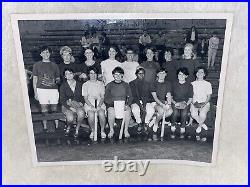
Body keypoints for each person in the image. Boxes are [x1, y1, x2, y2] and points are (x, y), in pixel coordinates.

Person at [32, 46, 60, 132]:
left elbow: (58, 79)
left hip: (53, 90)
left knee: (54, 108)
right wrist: (35, 92)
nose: (46, 54)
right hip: (41, 90)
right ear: (40, 54)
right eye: (43, 52)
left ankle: (57, 126)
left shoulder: (54, 65)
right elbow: (35, 79)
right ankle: (45, 127)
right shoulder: (36, 65)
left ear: (50, 53)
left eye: (47, 52)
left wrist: (54, 81)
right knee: (44, 109)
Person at [104, 67, 133, 139]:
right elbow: (106, 97)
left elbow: (130, 96)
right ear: (113, 75)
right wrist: (113, 104)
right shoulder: (109, 85)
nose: (118, 76)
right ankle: (111, 130)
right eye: (116, 74)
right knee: (110, 111)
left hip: (123, 104)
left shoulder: (126, 85)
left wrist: (127, 104)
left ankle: (126, 130)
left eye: (120, 74)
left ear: (122, 75)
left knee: (128, 110)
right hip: (113, 105)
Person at [82, 67, 106, 139]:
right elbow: (85, 98)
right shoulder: (85, 84)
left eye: (95, 73)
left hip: (100, 103)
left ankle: (102, 131)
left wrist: (99, 106)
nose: (93, 75)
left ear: (97, 74)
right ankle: (93, 130)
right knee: (91, 115)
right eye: (91, 73)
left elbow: (102, 97)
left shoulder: (101, 84)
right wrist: (92, 106)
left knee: (101, 114)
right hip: (89, 103)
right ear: (88, 75)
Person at [60, 68, 85, 137]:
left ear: (73, 74)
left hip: (78, 105)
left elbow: (83, 96)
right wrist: (70, 107)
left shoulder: (80, 84)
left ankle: (77, 129)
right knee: (70, 119)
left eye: (70, 73)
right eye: (67, 74)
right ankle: (68, 127)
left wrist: (82, 102)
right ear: (65, 76)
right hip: (67, 106)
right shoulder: (63, 86)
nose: (69, 75)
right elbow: (62, 100)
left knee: (81, 113)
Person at [129, 67, 155, 133]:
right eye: (139, 73)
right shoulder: (132, 83)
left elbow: (146, 96)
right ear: (136, 74)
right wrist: (140, 106)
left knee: (151, 110)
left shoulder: (147, 83)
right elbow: (134, 96)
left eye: (143, 73)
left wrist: (144, 105)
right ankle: (139, 123)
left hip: (146, 101)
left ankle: (146, 123)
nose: (141, 75)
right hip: (135, 101)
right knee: (135, 110)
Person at [150, 68, 173, 140]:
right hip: (155, 102)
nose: (162, 75)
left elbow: (169, 95)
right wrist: (162, 105)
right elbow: (155, 97)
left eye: (163, 73)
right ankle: (156, 123)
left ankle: (155, 119)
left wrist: (168, 104)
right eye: (160, 73)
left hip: (164, 102)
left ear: (166, 74)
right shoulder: (153, 83)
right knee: (161, 111)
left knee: (170, 112)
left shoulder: (168, 83)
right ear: (157, 74)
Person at [171, 67, 193, 138]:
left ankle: (182, 126)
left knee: (184, 112)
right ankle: (173, 125)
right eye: (180, 74)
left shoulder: (189, 85)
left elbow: (190, 98)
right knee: (175, 112)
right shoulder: (173, 84)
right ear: (177, 75)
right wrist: (175, 103)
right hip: (175, 101)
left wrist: (185, 104)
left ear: (186, 76)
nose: (181, 76)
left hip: (185, 102)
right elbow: (170, 96)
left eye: (183, 75)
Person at [190, 67, 212, 134]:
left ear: (204, 74)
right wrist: (194, 103)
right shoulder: (192, 83)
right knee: (193, 114)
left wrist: (204, 104)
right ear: (196, 74)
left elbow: (209, 96)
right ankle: (202, 123)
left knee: (202, 114)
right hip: (194, 102)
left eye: (202, 72)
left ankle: (199, 126)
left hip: (204, 102)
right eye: (198, 72)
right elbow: (190, 95)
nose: (200, 73)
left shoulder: (208, 84)